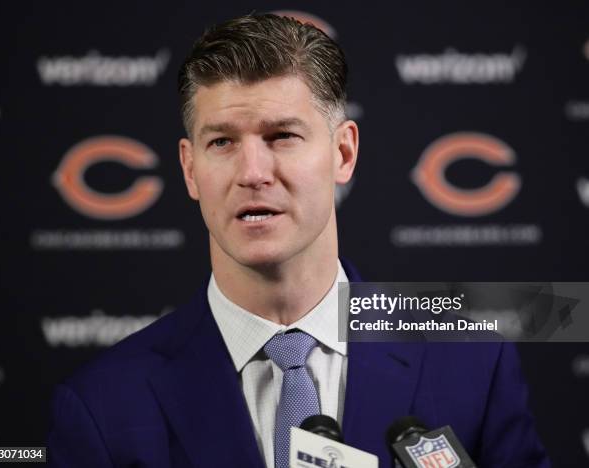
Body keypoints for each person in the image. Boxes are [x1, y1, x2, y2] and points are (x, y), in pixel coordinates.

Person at [47, 14, 550, 468]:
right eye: (221, 141)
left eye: (281, 136)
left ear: (343, 153)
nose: (252, 172)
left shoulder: (471, 361)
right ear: (189, 168)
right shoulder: (102, 405)